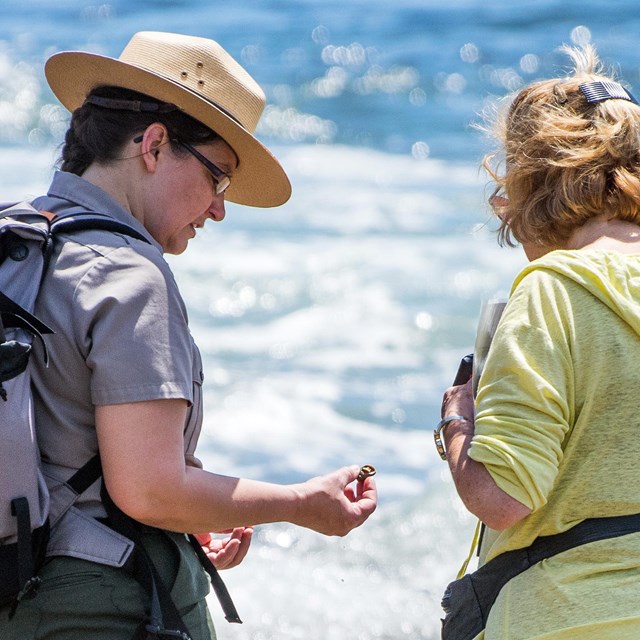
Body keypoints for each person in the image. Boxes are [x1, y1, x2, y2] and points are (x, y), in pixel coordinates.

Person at [0, 31, 377, 640]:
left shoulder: (18, 245)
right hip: (96, 606)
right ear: (153, 145)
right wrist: (302, 503)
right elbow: (150, 489)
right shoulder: (130, 275)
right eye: (218, 177)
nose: (220, 209)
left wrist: (189, 515)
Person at [437, 44, 640, 639]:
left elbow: (505, 498)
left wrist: (456, 423)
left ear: (536, 183)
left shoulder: (555, 288)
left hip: (566, 618)